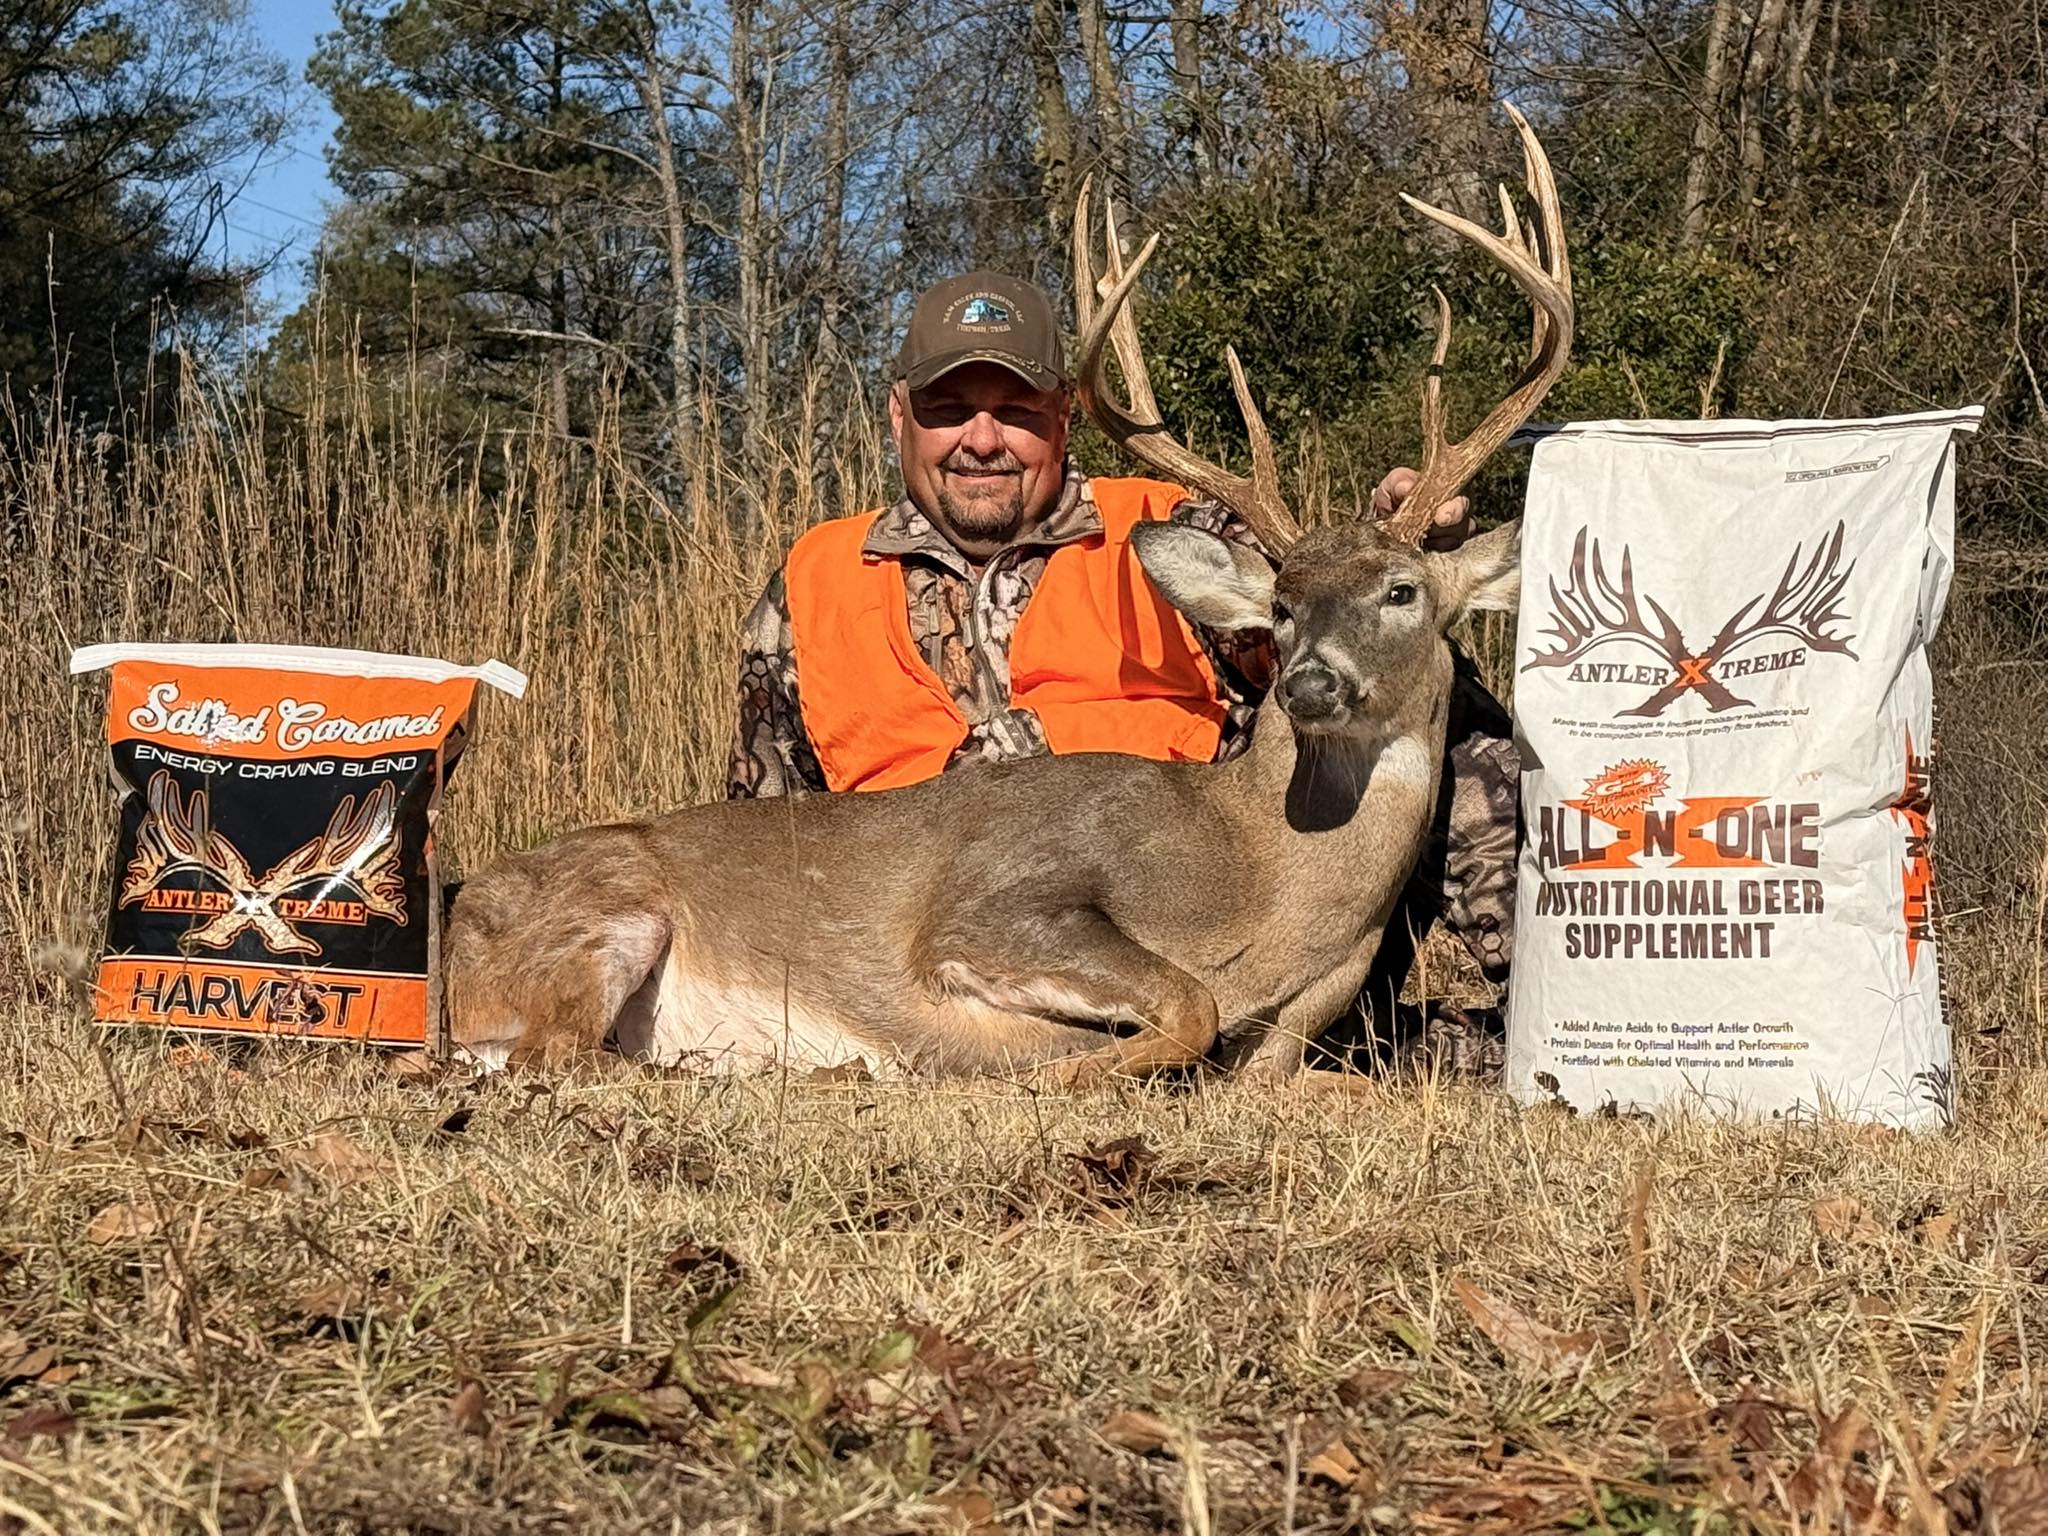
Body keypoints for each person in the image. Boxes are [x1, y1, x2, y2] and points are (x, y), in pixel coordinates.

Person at [725, 271, 1517, 1074]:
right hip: (933, 948)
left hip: (1180, 935)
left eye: (1018, 410)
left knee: (1458, 730)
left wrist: (1388, 562)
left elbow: (1325, 631)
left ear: (1063, 415)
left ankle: (1563, 997)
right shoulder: (812, 584)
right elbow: (765, 837)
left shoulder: (1167, 529)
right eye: (948, 409)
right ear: (899, 417)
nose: (982, 438)